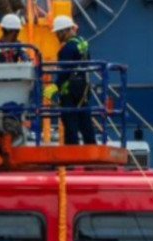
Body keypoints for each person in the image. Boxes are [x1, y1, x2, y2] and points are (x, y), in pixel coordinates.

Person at [44, 15, 95, 146]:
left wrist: (55, 86)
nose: (56, 36)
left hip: (69, 91)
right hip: (84, 88)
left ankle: (72, 157)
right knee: (85, 122)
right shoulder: (82, 43)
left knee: (70, 124)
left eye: (57, 33)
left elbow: (64, 72)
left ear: (64, 31)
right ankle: (92, 153)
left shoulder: (67, 49)